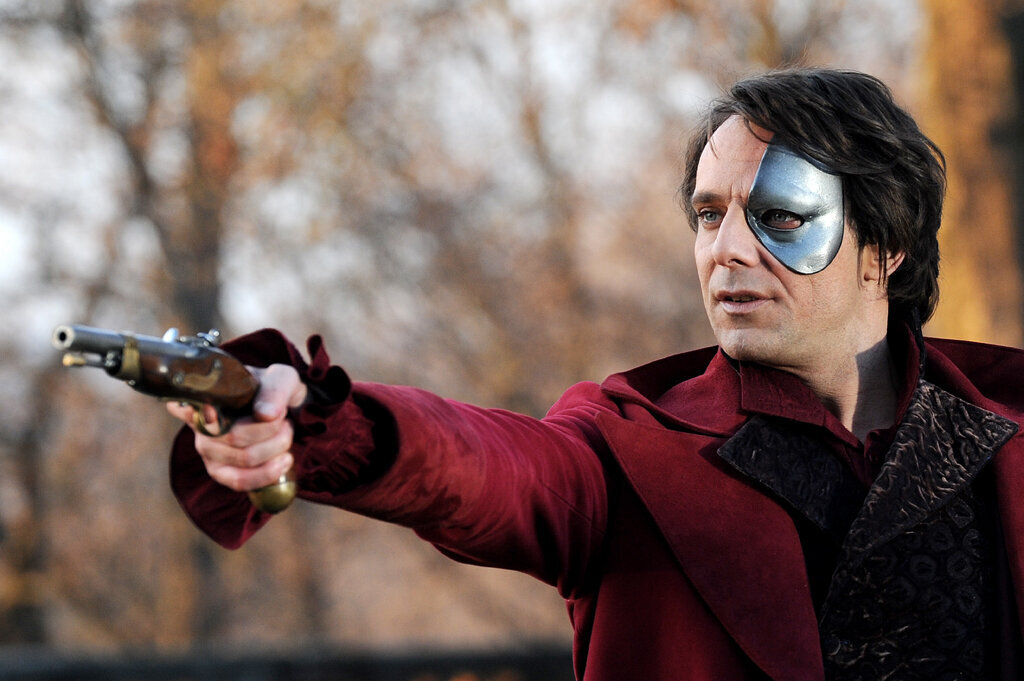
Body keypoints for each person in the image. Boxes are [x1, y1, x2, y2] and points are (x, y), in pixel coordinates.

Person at [166, 68, 1024, 680]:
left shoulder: (1005, 435)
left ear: (886, 246)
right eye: (708, 214)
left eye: (780, 216)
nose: (725, 250)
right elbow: (487, 469)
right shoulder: (632, 452)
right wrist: (318, 421)